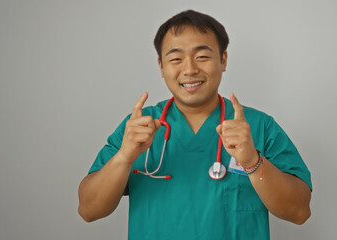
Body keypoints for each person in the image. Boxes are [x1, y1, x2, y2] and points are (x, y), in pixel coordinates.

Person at [78, 9, 312, 240]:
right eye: (176, 59)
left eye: (202, 57)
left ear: (223, 60)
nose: (189, 69)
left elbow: (299, 212)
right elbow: (89, 210)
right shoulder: (138, 128)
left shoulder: (258, 127)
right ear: (161, 66)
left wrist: (252, 161)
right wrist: (124, 157)